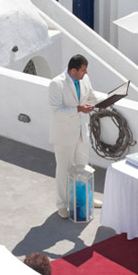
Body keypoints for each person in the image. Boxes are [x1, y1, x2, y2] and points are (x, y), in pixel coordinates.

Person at [49, 54, 101, 219]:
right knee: (64, 170)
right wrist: (78, 109)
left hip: (81, 132)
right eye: (83, 70)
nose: (85, 73)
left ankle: (86, 198)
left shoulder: (85, 79)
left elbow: (92, 97)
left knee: (83, 167)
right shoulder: (56, 84)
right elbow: (57, 112)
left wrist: (108, 100)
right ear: (73, 70)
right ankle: (62, 204)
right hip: (64, 135)